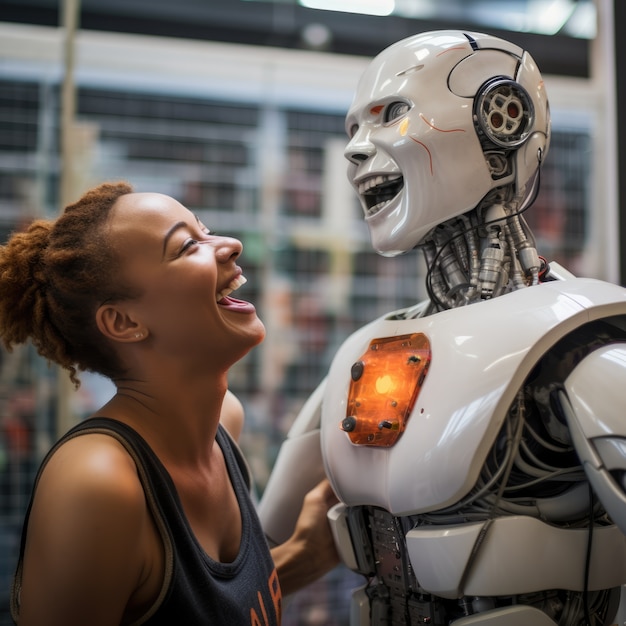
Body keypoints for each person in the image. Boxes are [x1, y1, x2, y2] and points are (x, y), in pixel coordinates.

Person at [258, 30, 626, 625]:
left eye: (390, 115)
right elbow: (257, 547)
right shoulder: (367, 349)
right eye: (353, 128)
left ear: (500, 120)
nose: (354, 151)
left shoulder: (582, 339)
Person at [0, 181, 339, 626]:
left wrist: (301, 559)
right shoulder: (99, 485)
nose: (231, 245)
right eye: (186, 246)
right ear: (124, 322)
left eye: (206, 229)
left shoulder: (223, 425)